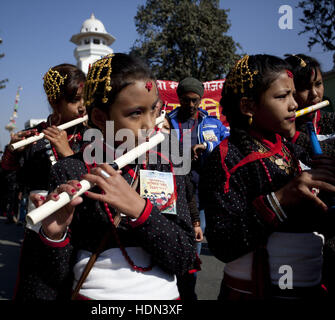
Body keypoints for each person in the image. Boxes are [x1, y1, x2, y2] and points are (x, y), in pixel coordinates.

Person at [14, 53, 198, 300]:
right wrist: (54, 234)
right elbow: (51, 278)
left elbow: (185, 258)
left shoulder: (167, 163)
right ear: (101, 117)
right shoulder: (70, 170)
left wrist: (140, 211)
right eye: (135, 113)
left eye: (154, 110)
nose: (150, 124)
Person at [199, 54, 335, 300]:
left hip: (311, 287)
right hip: (253, 291)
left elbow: (331, 227)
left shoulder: (295, 150)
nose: (293, 105)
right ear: (248, 106)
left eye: (292, 94)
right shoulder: (228, 158)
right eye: (282, 96)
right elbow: (223, 243)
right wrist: (281, 198)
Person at [285, 53, 335, 297]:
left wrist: (300, 137)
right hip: (298, 242)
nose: (315, 95)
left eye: (318, 84)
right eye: (304, 88)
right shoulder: (278, 134)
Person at [0, 63, 87, 225]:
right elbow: (4, 190)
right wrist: (13, 154)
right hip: (40, 225)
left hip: (82, 224)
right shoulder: (35, 138)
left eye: (85, 98)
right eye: (75, 100)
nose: (83, 106)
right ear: (54, 101)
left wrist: (67, 155)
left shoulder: (92, 134)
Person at [167, 76, 229, 300]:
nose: (191, 105)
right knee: (174, 244)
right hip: (175, 194)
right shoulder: (167, 122)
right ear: (179, 99)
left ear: (201, 99)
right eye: (185, 100)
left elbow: (228, 143)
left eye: (195, 100)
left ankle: (187, 293)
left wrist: (207, 146)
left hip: (203, 195)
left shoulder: (213, 123)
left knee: (194, 247)